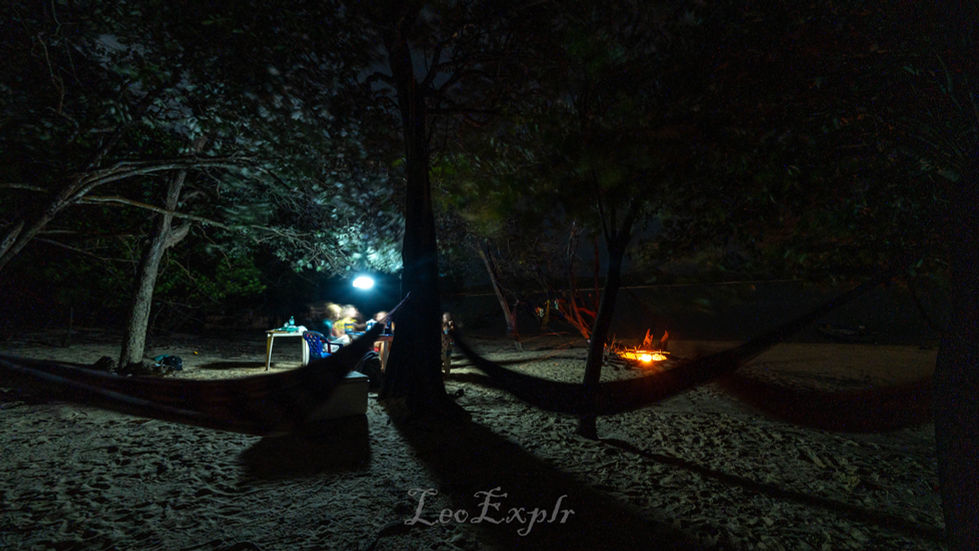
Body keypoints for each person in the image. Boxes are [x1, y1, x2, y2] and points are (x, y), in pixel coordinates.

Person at [441, 312, 456, 376]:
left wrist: (452, 343)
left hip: (448, 346)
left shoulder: (449, 325)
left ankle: (447, 374)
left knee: (448, 360)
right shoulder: (444, 325)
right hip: (444, 346)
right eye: (445, 317)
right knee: (444, 359)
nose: (446, 319)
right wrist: (450, 327)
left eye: (447, 317)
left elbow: (452, 335)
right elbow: (446, 332)